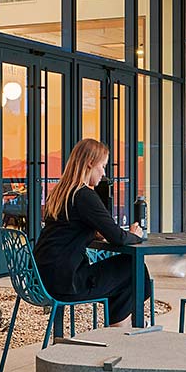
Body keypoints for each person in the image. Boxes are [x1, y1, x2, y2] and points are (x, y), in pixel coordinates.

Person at [34, 138, 149, 328]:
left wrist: (92, 233)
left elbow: (68, 230)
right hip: (66, 283)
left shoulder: (61, 192)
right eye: (102, 166)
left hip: (44, 277)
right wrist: (134, 234)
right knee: (133, 268)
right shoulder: (84, 195)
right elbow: (117, 237)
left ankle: (121, 326)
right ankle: (123, 327)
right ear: (90, 163)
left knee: (126, 272)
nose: (104, 173)